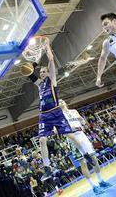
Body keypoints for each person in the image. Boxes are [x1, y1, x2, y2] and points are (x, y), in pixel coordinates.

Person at [26, 38, 95, 182]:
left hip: (56, 112)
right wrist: (32, 64)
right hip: (44, 115)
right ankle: (47, 168)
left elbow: (51, 61)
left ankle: (85, 154)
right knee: (42, 140)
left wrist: (47, 48)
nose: (43, 73)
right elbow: (30, 74)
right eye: (42, 72)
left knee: (70, 136)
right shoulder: (40, 85)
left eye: (45, 71)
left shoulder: (52, 81)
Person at [59, 99, 112, 195]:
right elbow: (59, 130)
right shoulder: (59, 116)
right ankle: (94, 187)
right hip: (73, 138)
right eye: (58, 102)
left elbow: (82, 121)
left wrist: (82, 121)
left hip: (82, 135)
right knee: (83, 163)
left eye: (62, 101)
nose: (60, 102)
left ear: (65, 103)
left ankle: (101, 181)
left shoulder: (74, 111)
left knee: (94, 159)